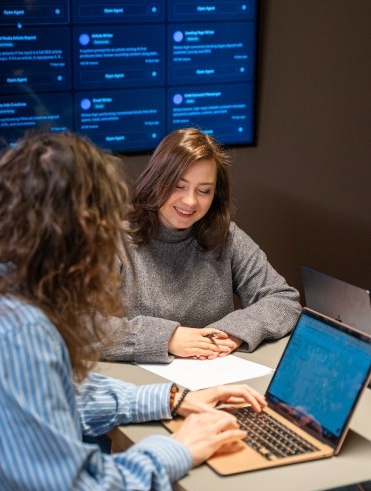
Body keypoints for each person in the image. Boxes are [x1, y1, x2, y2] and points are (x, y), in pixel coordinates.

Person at [0, 131, 267, 491]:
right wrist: (182, 448)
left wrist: (171, 399)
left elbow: (59, 394)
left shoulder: (10, 296)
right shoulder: (20, 331)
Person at [98, 127, 302, 363]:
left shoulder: (227, 238)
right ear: (156, 181)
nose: (190, 201)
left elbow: (284, 300)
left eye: (204, 190)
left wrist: (230, 332)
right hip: (143, 389)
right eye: (178, 186)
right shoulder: (113, 241)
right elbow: (78, 325)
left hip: (215, 376)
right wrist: (168, 338)